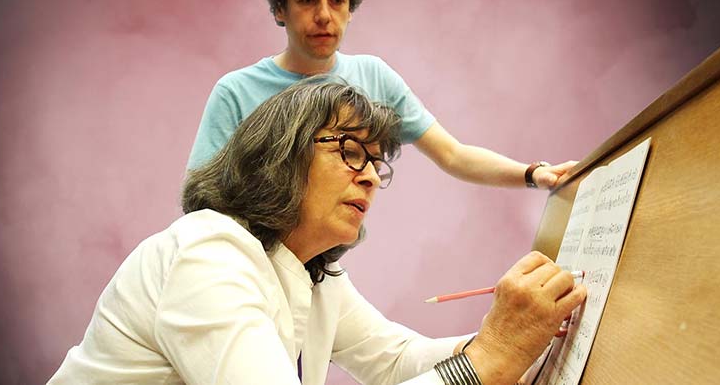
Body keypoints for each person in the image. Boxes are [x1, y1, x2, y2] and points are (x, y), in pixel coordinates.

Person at [50, 79, 587, 384]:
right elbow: (470, 365)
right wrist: (491, 355)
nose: (373, 176)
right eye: (351, 151)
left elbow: (399, 361)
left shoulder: (315, 273)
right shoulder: (208, 252)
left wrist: (521, 339)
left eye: (378, 163)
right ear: (277, 156)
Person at [186, 0, 576, 191]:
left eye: (337, 0)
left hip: (322, 268)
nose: (324, 15)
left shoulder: (373, 77)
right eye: (307, 0)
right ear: (279, 9)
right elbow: (201, 198)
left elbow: (453, 155)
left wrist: (533, 174)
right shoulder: (235, 92)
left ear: (351, 8)